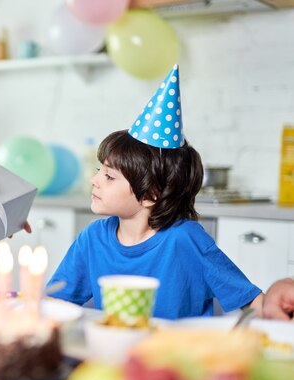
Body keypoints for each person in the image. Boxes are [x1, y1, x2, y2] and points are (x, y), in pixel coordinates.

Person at [46, 65, 264, 320]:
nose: (94, 180)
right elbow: (54, 304)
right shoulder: (92, 239)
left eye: (108, 176)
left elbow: (253, 303)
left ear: (150, 194)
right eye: (99, 170)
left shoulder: (186, 240)